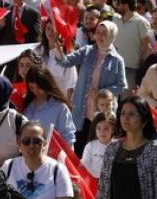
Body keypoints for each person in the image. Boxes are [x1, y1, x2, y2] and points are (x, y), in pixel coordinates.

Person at [52, 21, 128, 154]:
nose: (99, 36)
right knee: (80, 148)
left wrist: (101, 93)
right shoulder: (87, 50)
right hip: (82, 109)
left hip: (102, 112)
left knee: (100, 150)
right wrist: (59, 51)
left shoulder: (117, 60)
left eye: (104, 33)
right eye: (98, 32)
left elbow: (122, 85)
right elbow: (66, 62)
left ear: (112, 36)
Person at [22, 66, 77, 147]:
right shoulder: (26, 104)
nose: (35, 91)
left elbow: (68, 139)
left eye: (39, 87)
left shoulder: (60, 108)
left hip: (51, 154)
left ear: (46, 85)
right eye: (32, 87)